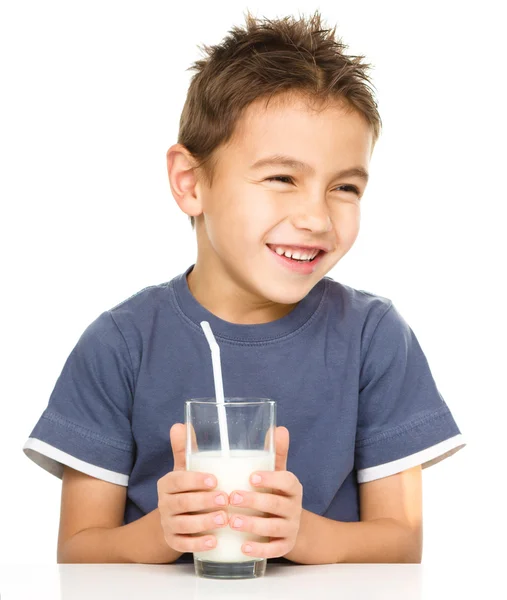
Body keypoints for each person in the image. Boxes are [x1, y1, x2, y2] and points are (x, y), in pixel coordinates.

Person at [23, 10, 465, 565]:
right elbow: (79, 552)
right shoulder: (120, 345)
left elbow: (400, 542)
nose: (317, 218)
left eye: (345, 186)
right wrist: (159, 534)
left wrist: (303, 534)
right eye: (282, 178)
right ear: (190, 183)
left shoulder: (374, 338)